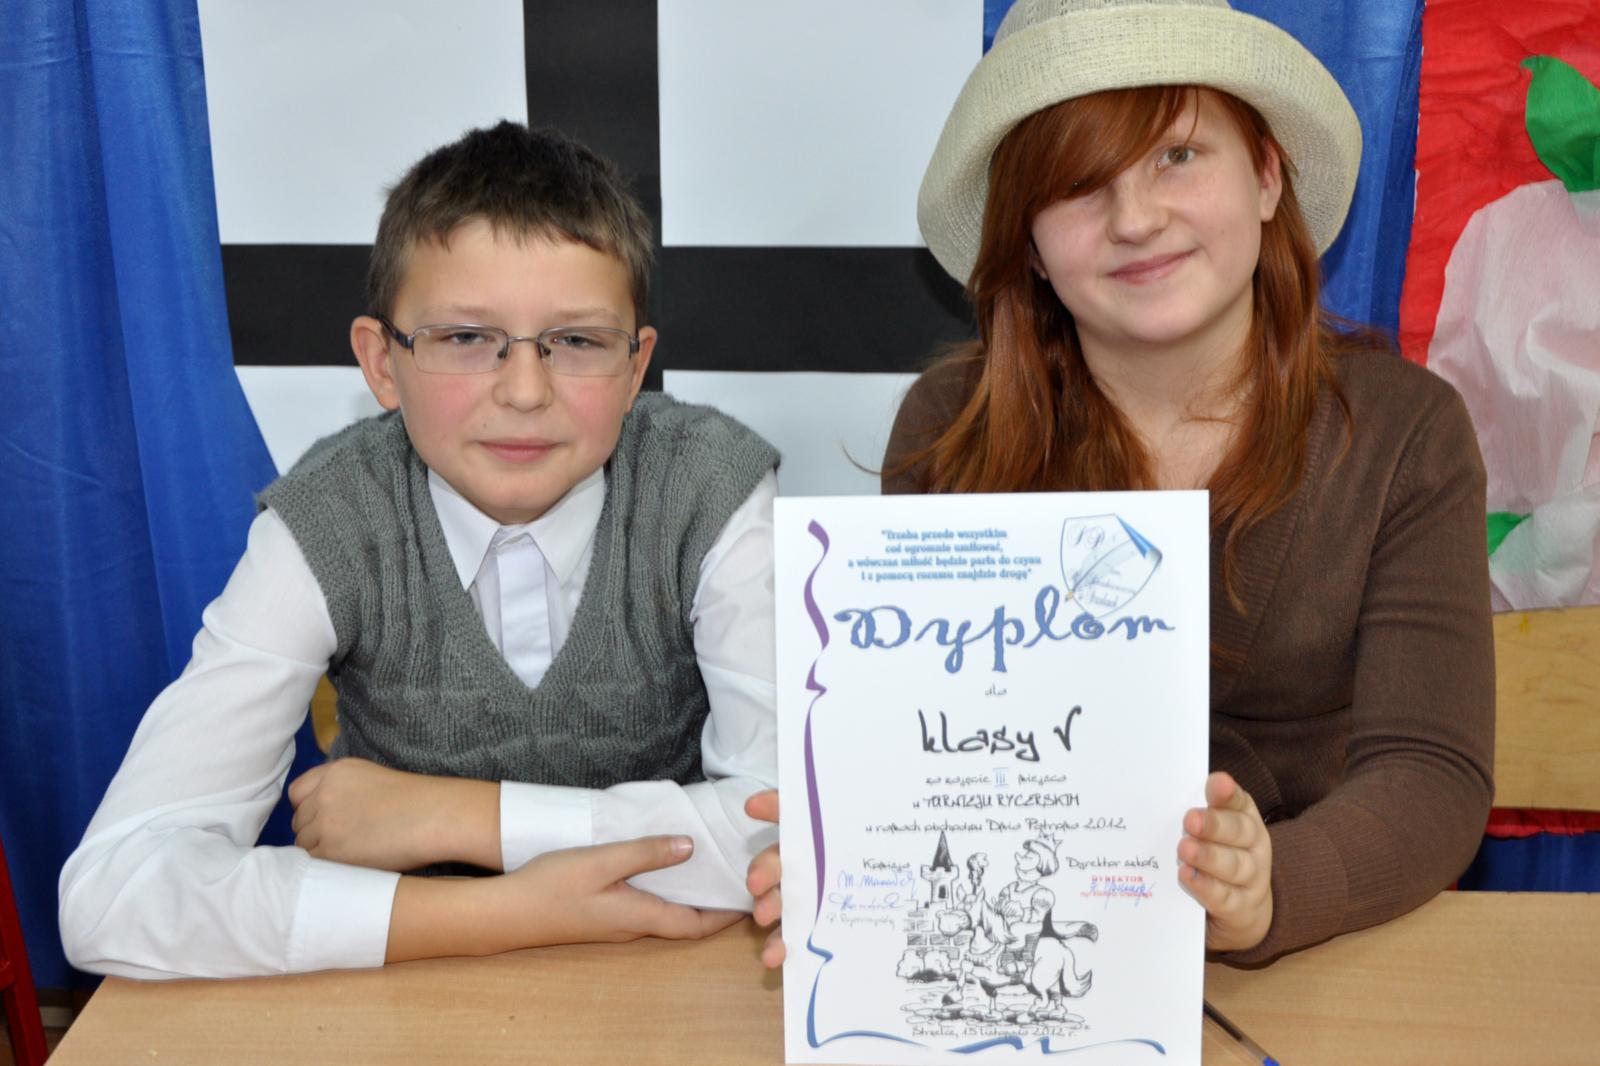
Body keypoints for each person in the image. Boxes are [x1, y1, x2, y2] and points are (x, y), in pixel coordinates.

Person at [749, 0, 1494, 965]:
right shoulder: (950, 428)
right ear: (1026, 245)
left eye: (1177, 156)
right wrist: (853, 854)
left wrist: (1276, 888)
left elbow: (1431, 772)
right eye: (1077, 185)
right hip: (1040, 960)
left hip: (1332, 961)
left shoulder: (1405, 433)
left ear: (1269, 177)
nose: (1136, 220)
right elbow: (927, 743)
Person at [60, 122, 780, 979]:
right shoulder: (331, 518)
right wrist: (506, 913)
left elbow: (794, 830)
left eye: (578, 341)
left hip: (672, 992)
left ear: (635, 367)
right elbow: (114, 893)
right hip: (406, 993)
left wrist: (461, 818)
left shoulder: (710, 490)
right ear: (381, 363)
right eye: (466, 338)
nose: (524, 392)